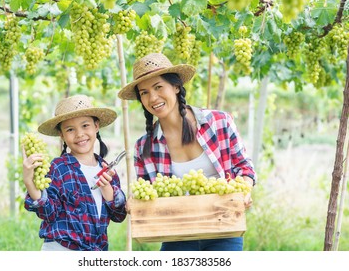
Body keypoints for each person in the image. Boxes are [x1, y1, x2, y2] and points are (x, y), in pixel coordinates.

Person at [118, 53, 256, 251]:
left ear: (175, 87)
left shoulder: (219, 123)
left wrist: (244, 189)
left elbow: (245, 168)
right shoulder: (144, 147)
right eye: (144, 92)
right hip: (177, 233)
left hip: (223, 228)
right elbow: (148, 194)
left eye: (158, 87)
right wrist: (136, 201)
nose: (153, 97)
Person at [22, 94, 127, 251]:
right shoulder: (58, 168)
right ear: (62, 135)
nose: (79, 134)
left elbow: (119, 215)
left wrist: (108, 190)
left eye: (85, 126)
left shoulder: (107, 170)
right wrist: (30, 183)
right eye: (70, 129)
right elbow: (49, 213)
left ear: (96, 126)